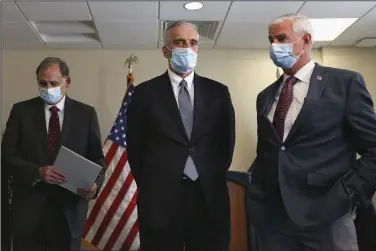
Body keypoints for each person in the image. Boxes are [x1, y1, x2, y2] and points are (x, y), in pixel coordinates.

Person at [247, 13, 376, 251]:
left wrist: (350, 192)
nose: (274, 46)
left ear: (305, 41)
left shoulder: (343, 83)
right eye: (271, 40)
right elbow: (269, 151)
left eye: (282, 38)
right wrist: (256, 191)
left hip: (327, 214)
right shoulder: (265, 96)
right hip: (274, 218)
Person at [126, 21, 236, 250]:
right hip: (160, 199)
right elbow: (136, 148)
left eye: (193, 43)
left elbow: (226, 144)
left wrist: (211, 175)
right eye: (179, 42)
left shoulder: (218, 92)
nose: (187, 48)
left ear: (198, 49)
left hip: (207, 196)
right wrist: (151, 186)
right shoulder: (144, 94)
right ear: (166, 50)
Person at [2, 57, 107, 251]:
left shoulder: (86, 114)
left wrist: (94, 186)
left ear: (67, 82)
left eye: (54, 83)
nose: (47, 87)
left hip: (69, 210)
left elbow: (98, 159)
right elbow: (6, 156)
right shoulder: (21, 111)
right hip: (29, 210)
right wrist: (37, 171)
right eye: (43, 83)